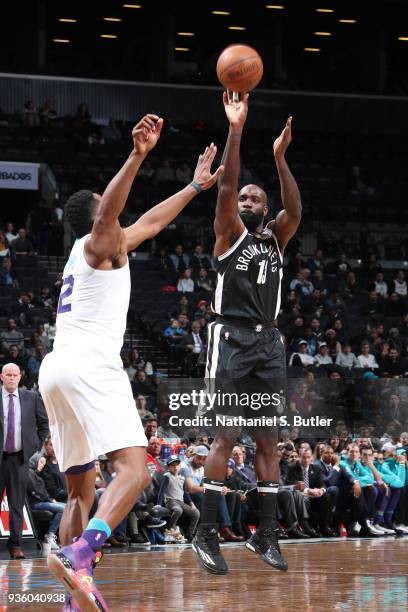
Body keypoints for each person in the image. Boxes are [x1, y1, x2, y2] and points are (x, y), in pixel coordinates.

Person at [38, 114, 224, 609]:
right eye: (110, 207)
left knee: (80, 493)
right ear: (99, 214)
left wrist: (193, 186)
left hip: (56, 368)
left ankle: (75, 597)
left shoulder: (100, 249)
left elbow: (151, 221)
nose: (118, 214)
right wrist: (138, 155)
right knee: (135, 471)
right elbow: (111, 218)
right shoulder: (100, 243)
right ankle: (83, 551)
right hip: (89, 364)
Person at [192, 92, 301, 574]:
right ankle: (207, 534)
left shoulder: (275, 237)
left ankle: (266, 536)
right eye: (246, 198)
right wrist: (236, 129)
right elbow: (226, 186)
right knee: (226, 436)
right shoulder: (227, 232)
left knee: (269, 442)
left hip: (268, 344)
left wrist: (280, 159)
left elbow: (295, 210)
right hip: (231, 340)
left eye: (258, 198)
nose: (250, 201)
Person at [0, 363, 49, 559]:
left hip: (19, 458)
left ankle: (15, 545)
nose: (11, 378)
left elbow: (44, 425)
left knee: (16, 504)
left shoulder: (31, 397)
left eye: (15, 375)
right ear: (1, 377)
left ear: (20, 377)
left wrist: (34, 446)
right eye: (8, 375)